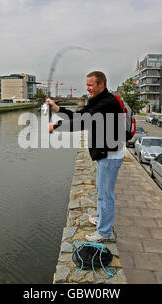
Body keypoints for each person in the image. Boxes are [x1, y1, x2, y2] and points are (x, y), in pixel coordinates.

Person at [46, 71, 125, 242]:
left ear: (101, 85)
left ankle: (105, 232)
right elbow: (79, 115)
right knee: (101, 190)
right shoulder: (97, 101)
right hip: (104, 154)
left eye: (90, 85)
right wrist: (58, 109)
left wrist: (56, 127)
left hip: (110, 156)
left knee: (106, 195)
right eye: (87, 84)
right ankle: (100, 218)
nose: (87, 88)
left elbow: (81, 122)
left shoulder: (106, 103)